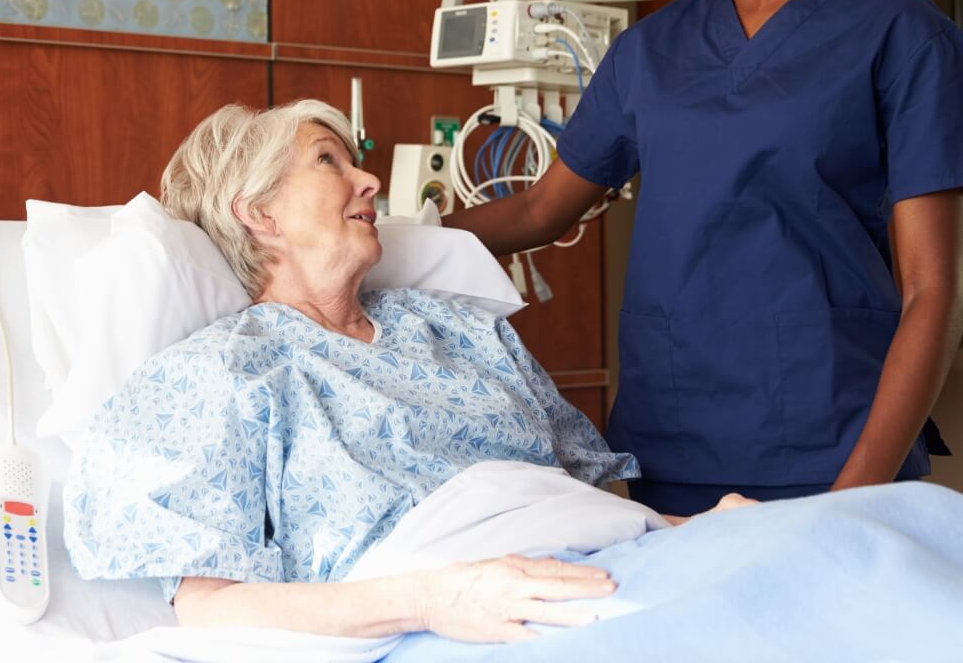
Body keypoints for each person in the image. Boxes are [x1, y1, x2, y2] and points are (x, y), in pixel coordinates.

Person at [444, 0, 963, 516]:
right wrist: (391, 239)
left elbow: (934, 293)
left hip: (837, 448)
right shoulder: (650, 54)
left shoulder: (904, 37)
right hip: (676, 443)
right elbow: (545, 209)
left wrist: (848, 503)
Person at [63, 100, 746, 643]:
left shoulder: (455, 328)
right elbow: (209, 610)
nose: (370, 181)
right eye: (329, 161)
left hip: (621, 561)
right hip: (454, 616)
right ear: (259, 213)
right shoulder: (219, 372)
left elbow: (596, 497)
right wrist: (433, 600)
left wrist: (701, 529)